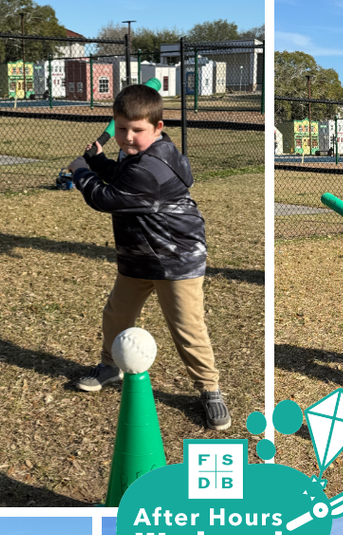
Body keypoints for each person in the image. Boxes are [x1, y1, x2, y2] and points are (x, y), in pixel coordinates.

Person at [66, 83, 231, 431]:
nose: (127, 137)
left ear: (158, 128)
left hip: (176, 260)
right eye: (121, 128)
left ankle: (209, 390)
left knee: (188, 328)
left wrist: (81, 170)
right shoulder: (139, 155)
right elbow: (120, 176)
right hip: (139, 253)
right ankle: (111, 366)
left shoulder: (152, 168)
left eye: (137, 130)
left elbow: (105, 197)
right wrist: (98, 160)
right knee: (117, 314)